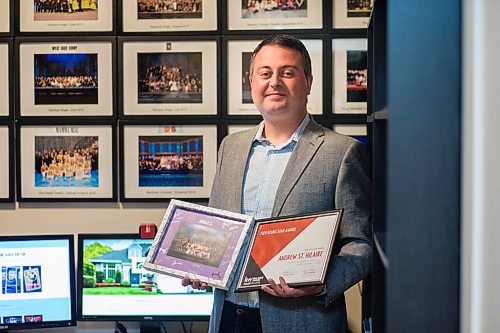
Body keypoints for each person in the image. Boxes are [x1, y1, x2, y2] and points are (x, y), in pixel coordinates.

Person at [183, 34, 372, 333]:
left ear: (308, 82)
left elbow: (360, 246)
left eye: (287, 72)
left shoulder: (342, 152)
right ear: (251, 82)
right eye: (265, 73)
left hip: (303, 320)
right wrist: (200, 266)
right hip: (229, 317)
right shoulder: (230, 147)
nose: (275, 82)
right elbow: (216, 232)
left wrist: (320, 283)